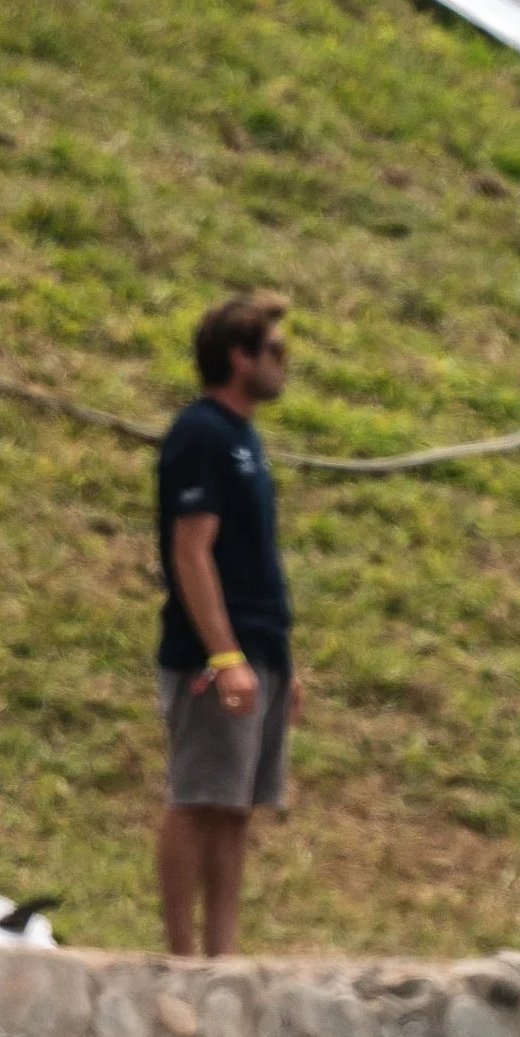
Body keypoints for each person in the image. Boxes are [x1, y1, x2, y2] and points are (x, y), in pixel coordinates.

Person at [154, 292, 301, 959]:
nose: (284, 363)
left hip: (260, 646)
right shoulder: (203, 434)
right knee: (198, 794)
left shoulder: (246, 439)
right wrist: (222, 655)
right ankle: (182, 954)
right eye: (275, 350)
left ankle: (223, 953)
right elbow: (192, 549)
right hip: (215, 650)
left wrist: (280, 663)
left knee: (236, 804)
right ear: (238, 358)